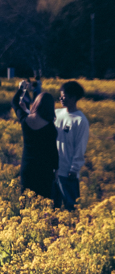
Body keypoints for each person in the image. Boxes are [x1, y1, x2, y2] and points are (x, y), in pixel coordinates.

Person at [11, 82, 58, 199]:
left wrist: (21, 89)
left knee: (26, 203)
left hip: (28, 168)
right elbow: (53, 151)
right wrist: (56, 170)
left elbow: (14, 102)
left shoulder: (25, 120)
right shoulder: (51, 128)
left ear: (36, 104)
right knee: (44, 204)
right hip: (44, 170)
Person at [53, 80, 89, 210]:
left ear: (73, 98)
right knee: (53, 207)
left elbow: (80, 146)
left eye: (64, 96)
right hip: (53, 169)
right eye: (61, 96)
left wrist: (74, 168)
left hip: (68, 171)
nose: (61, 99)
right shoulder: (56, 114)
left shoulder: (80, 120)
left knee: (70, 207)